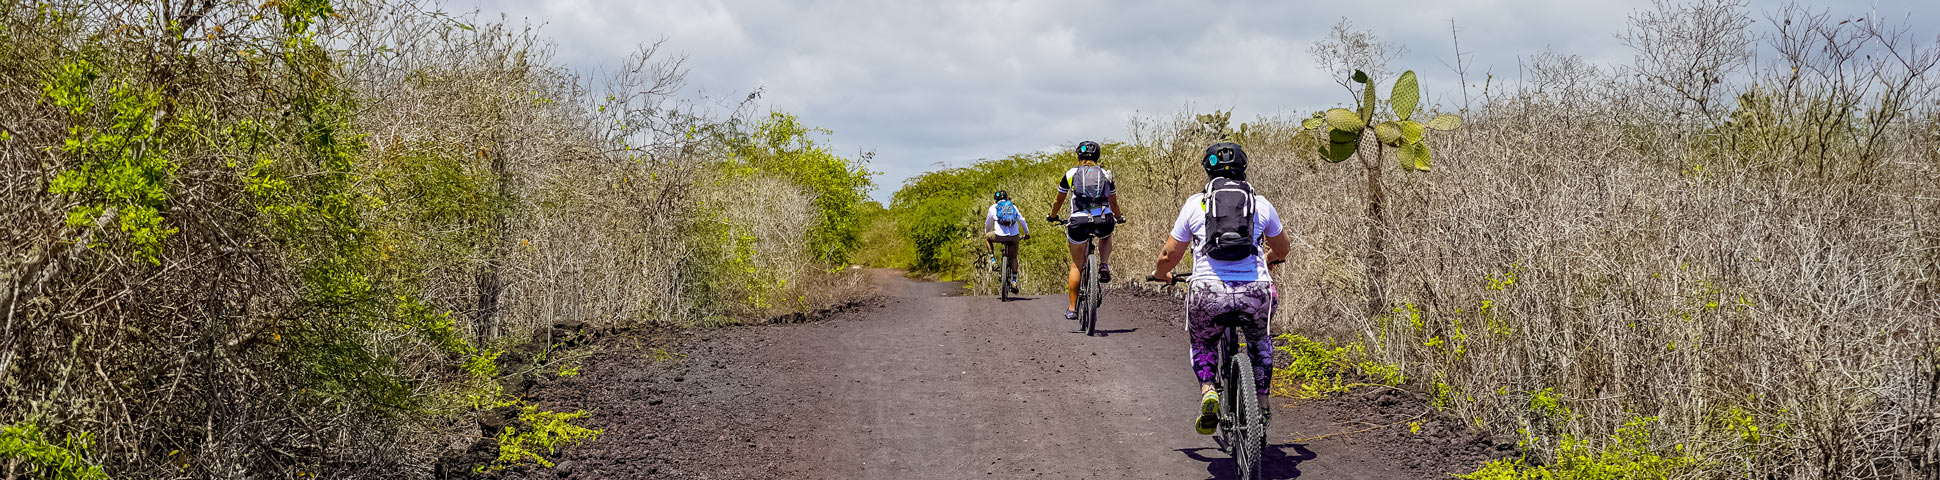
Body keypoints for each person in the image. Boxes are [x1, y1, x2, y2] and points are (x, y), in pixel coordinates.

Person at [1146, 142, 1292, 435]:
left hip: (1208, 292)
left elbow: (1169, 255)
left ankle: (1209, 390)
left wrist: (1162, 274)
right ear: (1243, 170)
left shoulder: (1195, 204)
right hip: (1255, 291)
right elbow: (1282, 247)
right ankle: (1261, 407)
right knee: (1260, 345)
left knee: (1202, 342)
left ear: (1208, 170)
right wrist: (1270, 259)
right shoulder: (1260, 204)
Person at [1046, 140, 1125, 320]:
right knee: (1106, 235)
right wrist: (1119, 218)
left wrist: (1052, 216)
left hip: (1078, 222)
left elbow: (1058, 200)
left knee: (1076, 265)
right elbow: (1113, 203)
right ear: (1098, 157)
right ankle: (1103, 265)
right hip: (1103, 220)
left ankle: (1072, 309)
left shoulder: (1071, 174)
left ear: (1078, 156)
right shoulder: (1106, 174)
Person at [984, 190, 1029, 292]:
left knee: (987, 238)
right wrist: (1027, 233)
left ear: (996, 200)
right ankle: (1014, 281)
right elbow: (1022, 220)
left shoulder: (992, 208)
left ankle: (993, 260)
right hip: (1013, 236)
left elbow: (988, 224)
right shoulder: (1013, 207)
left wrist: (987, 232)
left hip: (999, 235)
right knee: (1013, 257)